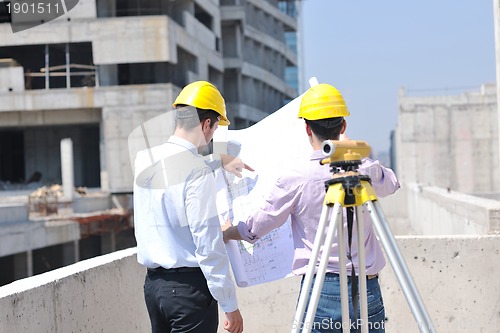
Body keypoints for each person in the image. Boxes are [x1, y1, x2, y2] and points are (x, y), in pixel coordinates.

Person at [223, 83, 400, 333]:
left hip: (321, 291)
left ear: (307, 128)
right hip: (366, 288)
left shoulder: (296, 176)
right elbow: (392, 182)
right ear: (343, 126)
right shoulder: (361, 167)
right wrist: (353, 154)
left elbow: (258, 225)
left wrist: (230, 232)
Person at [134, 81, 251, 333]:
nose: (213, 136)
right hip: (189, 292)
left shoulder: (145, 159)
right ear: (206, 124)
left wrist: (219, 159)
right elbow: (208, 247)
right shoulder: (196, 172)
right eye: (215, 128)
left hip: (153, 288)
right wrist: (230, 304)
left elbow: (179, 167)